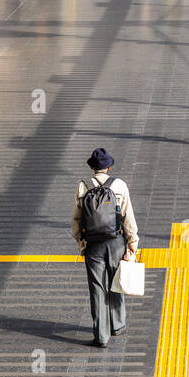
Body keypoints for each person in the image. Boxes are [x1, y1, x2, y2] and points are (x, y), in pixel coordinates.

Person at [70, 148, 140, 348]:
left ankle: (101, 336)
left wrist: (81, 242)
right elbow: (128, 217)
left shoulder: (83, 187)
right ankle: (117, 324)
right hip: (116, 242)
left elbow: (76, 219)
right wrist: (132, 244)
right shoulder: (119, 185)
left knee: (97, 289)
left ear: (92, 167)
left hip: (93, 245)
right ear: (108, 167)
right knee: (116, 283)